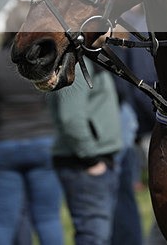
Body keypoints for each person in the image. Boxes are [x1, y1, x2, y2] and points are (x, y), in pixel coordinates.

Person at [0, 1, 64, 245]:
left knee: (1, 220)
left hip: (4, 143)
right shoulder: (48, 61)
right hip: (43, 141)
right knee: (48, 218)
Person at [49, 57, 123, 245]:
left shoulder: (93, 59)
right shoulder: (76, 64)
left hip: (97, 159)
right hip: (84, 163)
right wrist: (91, 159)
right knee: (93, 235)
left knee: (99, 234)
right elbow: (71, 118)